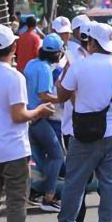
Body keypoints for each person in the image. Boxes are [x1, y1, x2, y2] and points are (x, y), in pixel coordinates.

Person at [0, 25, 55, 222]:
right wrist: (39, 111)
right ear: (13, 47)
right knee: (16, 202)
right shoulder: (15, 77)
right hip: (14, 150)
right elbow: (18, 115)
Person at [55, 23, 112, 222]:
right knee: (110, 186)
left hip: (82, 135)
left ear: (91, 42)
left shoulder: (79, 66)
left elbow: (62, 96)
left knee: (74, 184)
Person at [24, 33, 67, 212]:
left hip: (28, 118)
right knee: (57, 155)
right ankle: (49, 197)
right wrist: (64, 97)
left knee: (40, 158)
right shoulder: (45, 69)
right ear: (57, 54)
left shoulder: (31, 64)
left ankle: (36, 192)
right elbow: (44, 95)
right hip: (38, 118)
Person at [62, 15, 93, 222]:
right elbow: (66, 90)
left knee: (88, 178)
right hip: (74, 126)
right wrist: (81, 108)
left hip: (92, 125)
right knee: (78, 178)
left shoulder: (90, 54)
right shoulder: (70, 56)